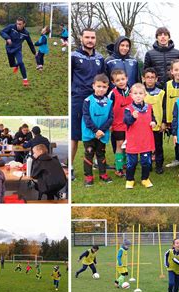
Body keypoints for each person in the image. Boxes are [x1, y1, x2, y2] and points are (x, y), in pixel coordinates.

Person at [72, 28, 106, 181]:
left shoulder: (100, 58)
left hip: (96, 100)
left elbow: (104, 80)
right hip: (78, 99)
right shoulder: (73, 56)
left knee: (96, 131)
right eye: (87, 37)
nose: (90, 40)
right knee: (75, 134)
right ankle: (70, 167)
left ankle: (95, 163)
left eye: (92, 37)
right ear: (82, 39)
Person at [81, 74, 113, 186]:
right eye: (98, 86)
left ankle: (103, 174)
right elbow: (86, 117)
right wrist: (95, 130)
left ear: (107, 88)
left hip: (102, 134)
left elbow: (110, 118)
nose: (101, 89)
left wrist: (102, 130)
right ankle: (88, 176)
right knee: (89, 154)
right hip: (90, 134)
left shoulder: (109, 102)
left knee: (101, 154)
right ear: (93, 86)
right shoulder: (87, 101)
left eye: (104, 87)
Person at [124, 83, 156, 189]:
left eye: (140, 93)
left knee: (146, 162)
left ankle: (145, 179)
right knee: (131, 163)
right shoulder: (128, 109)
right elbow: (127, 121)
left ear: (145, 95)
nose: (138, 95)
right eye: (135, 93)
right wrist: (133, 117)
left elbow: (153, 118)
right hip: (133, 140)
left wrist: (153, 122)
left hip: (146, 140)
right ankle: (130, 179)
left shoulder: (149, 107)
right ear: (131, 95)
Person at [0, 16, 36, 86]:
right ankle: (16, 66)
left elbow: (30, 43)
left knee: (20, 62)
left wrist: (34, 52)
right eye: (17, 24)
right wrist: (7, 38)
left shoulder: (26, 33)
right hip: (9, 49)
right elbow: (1, 32)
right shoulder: (11, 27)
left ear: (24, 24)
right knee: (12, 65)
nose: (18, 25)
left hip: (18, 50)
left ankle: (25, 79)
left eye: (20, 24)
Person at [109, 69, 132, 177]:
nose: (121, 82)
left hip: (131, 124)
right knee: (120, 144)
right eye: (118, 80)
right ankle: (118, 168)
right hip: (117, 124)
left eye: (123, 79)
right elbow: (108, 109)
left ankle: (127, 165)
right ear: (113, 82)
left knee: (129, 145)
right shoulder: (112, 94)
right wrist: (109, 124)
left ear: (127, 78)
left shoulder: (132, 91)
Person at [163, 60, 179, 171]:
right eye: (176, 70)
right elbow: (164, 102)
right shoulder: (167, 85)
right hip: (171, 118)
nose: (178, 72)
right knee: (175, 139)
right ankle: (177, 159)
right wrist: (164, 120)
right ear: (172, 71)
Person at [143, 68, 166, 174]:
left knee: (158, 146)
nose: (150, 80)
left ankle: (159, 165)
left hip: (157, 125)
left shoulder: (161, 93)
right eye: (148, 77)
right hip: (144, 125)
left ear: (156, 79)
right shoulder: (140, 93)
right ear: (143, 78)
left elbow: (164, 107)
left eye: (152, 77)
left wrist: (163, 122)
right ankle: (147, 164)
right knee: (145, 147)